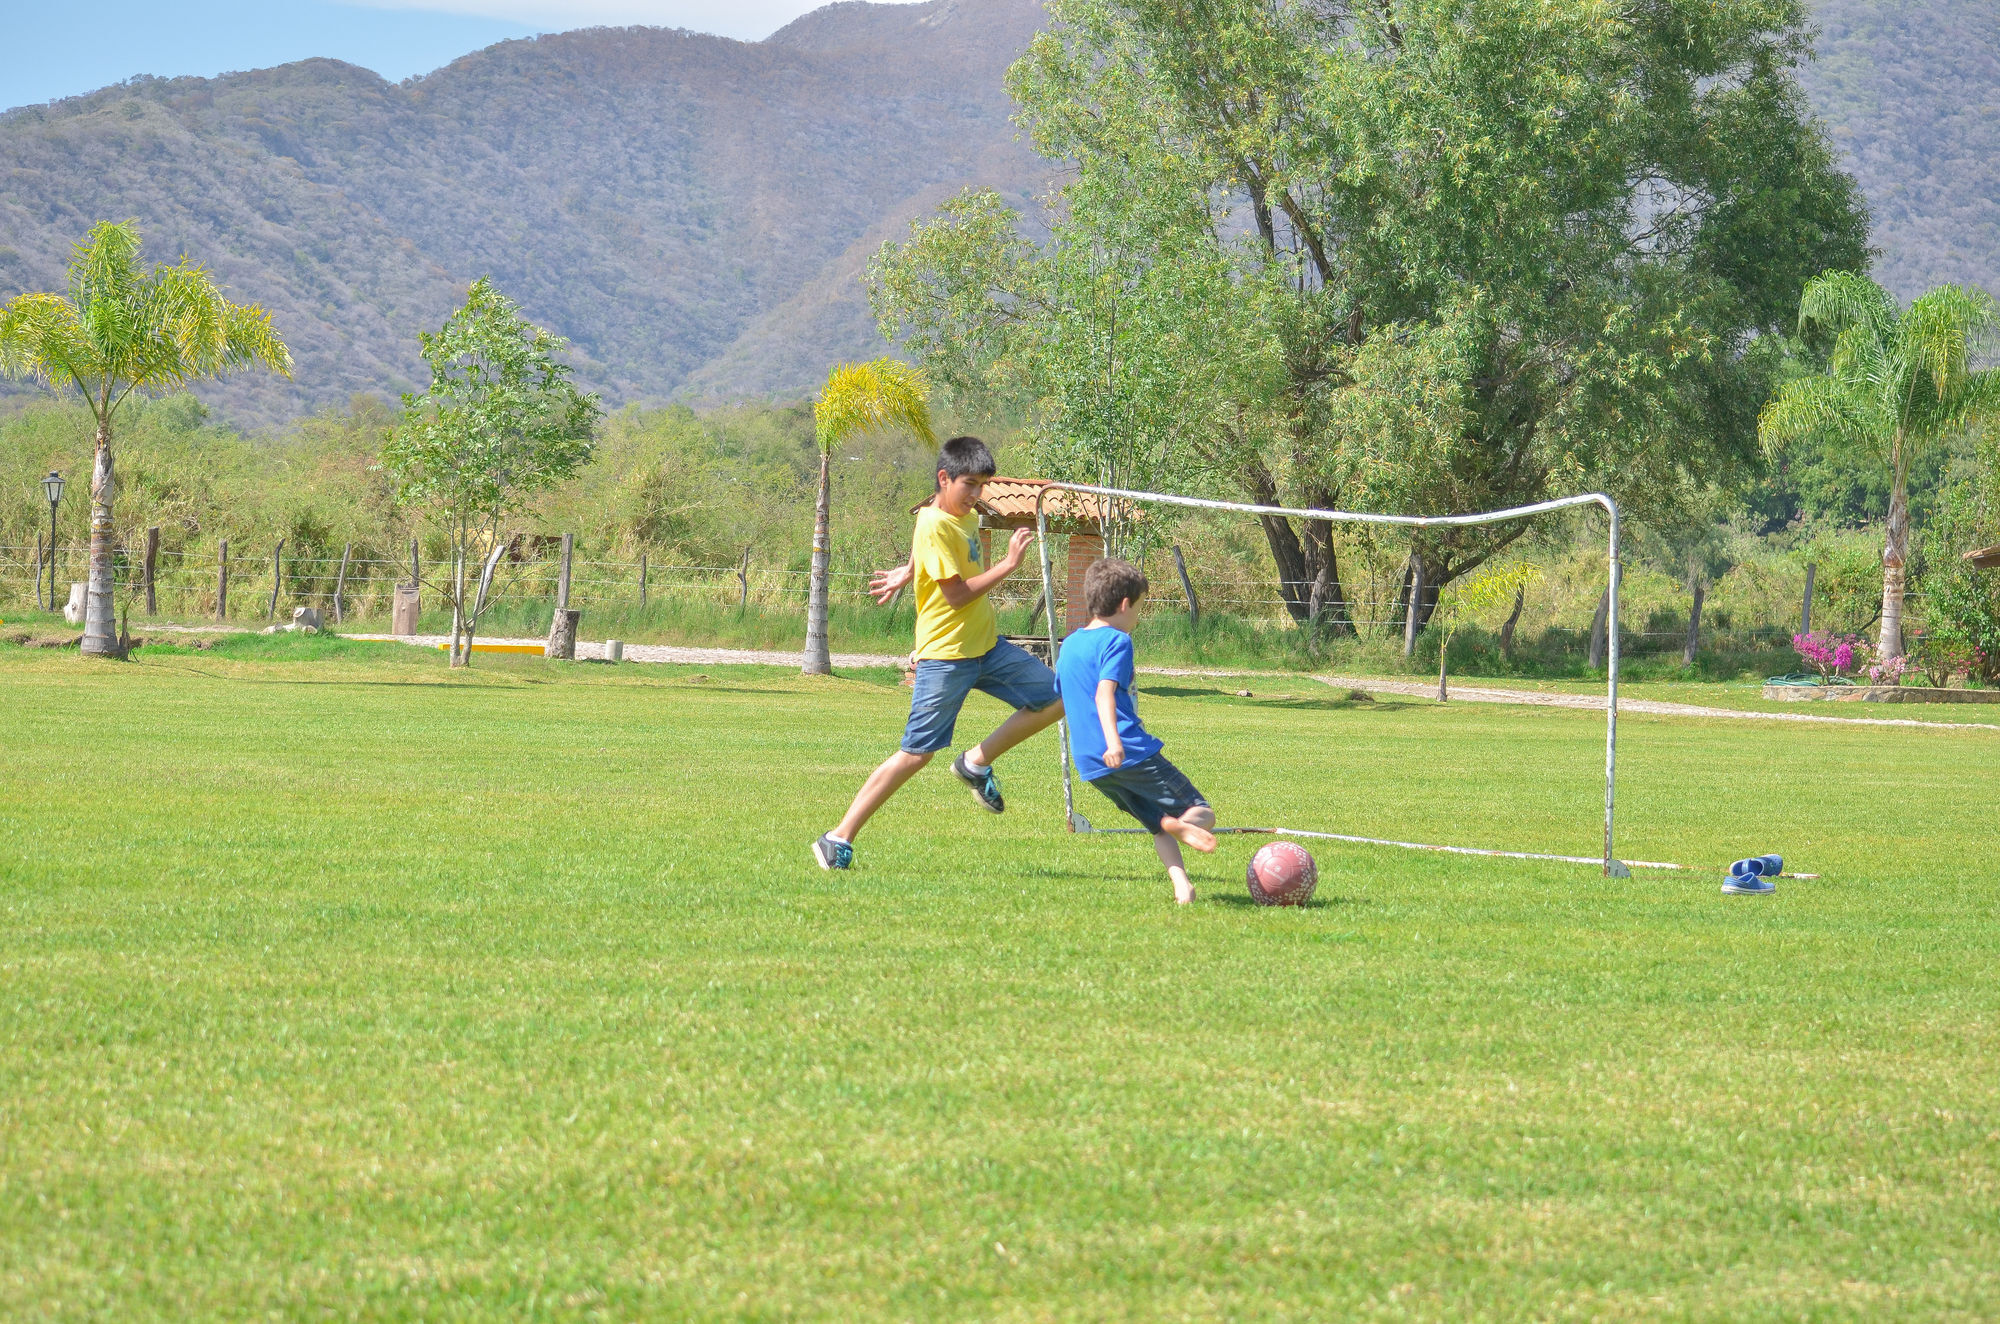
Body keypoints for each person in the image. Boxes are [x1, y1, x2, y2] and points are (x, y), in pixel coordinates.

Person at [812, 435, 1064, 870]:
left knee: (1058, 696)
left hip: (987, 647)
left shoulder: (953, 513)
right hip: (946, 657)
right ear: (944, 478)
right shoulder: (934, 523)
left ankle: (975, 762)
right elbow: (955, 596)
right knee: (916, 754)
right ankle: (837, 837)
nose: (975, 494)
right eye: (968, 484)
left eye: (982, 485)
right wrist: (1007, 566)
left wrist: (908, 570)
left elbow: (929, 541)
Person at [1055, 557, 1216, 904]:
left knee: (1157, 824)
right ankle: (1181, 825)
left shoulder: (1068, 645)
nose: (1138, 618)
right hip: (1127, 752)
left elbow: (1063, 695)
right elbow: (1104, 693)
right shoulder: (1117, 641)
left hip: (1091, 765)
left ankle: (1182, 886)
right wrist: (1115, 742)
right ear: (1125, 604)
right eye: (1139, 609)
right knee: (1201, 812)